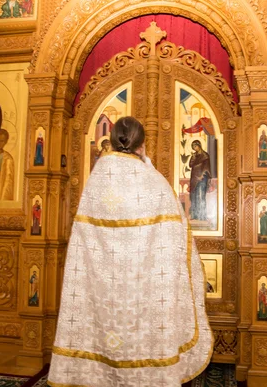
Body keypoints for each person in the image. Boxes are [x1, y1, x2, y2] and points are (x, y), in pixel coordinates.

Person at [48, 116, 212, 386]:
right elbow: (176, 236)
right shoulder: (153, 181)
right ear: (141, 144)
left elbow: (83, 240)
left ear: (112, 142)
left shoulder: (97, 178)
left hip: (103, 289)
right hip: (144, 289)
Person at [188, 139, 211, 221]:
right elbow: (190, 165)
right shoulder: (194, 156)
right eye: (193, 147)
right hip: (194, 178)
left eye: (195, 146)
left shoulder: (205, 155)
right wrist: (193, 158)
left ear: (199, 145)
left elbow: (206, 168)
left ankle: (202, 216)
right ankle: (194, 215)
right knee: (194, 196)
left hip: (202, 178)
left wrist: (202, 175)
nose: (194, 148)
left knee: (200, 196)